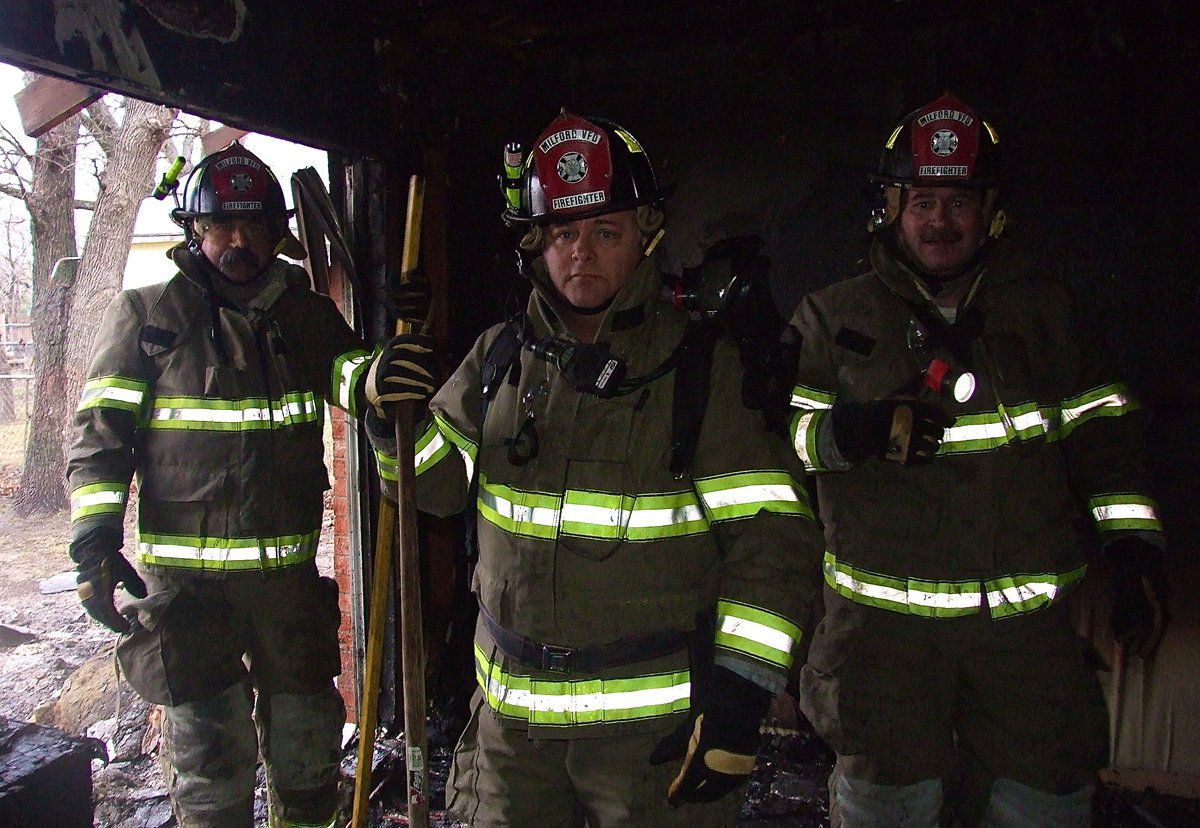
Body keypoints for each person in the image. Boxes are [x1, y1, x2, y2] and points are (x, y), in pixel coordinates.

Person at [367, 109, 825, 826]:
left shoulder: (700, 367)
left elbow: (774, 536)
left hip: (650, 749)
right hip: (512, 746)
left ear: (646, 235)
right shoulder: (497, 360)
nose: (582, 254)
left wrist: (740, 697)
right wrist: (388, 422)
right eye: (564, 234)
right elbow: (433, 486)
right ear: (536, 244)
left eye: (605, 232)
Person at [787, 93, 1170, 826]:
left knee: (1044, 806)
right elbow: (779, 442)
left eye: (959, 200)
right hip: (882, 650)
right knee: (883, 809)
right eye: (922, 199)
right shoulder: (832, 319)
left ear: (992, 209)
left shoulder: (1047, 316)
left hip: (1025, 649)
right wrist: (851, 432)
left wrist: (1134, 546)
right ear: (890, 207)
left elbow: (1107, 435)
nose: (939, 221)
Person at [65, 142, 380, 828]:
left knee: (308, 759)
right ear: (194, 230)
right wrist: (94, 536)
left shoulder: (301, 313)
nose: (237, 241)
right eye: (220, 227)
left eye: (252, 226)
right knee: (211, 769)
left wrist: (384, 374)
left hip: (287, 589)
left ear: (276, 232)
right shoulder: (148, 315)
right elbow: (101, 436)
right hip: (185, 595)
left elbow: (351, 377)